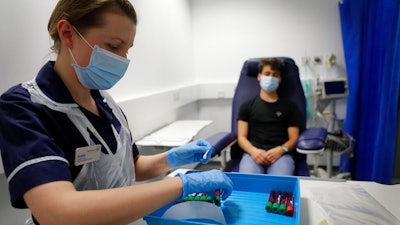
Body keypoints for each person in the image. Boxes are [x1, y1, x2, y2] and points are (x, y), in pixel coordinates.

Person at [0, 1, 233, 224]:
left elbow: (130, 167)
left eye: (127, 49)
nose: (122, 60)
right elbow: (58, 212)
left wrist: (173, 158)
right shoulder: (24, 107)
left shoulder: (105, 102)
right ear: (67, 33)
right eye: (113, 46)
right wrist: (181, 185)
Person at [237, 58, 303, 175]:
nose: (271, 78)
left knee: (279, 187)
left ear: (280, 79)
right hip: (253, 154)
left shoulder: (290, 107)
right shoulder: (247, 106)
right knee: (250, 185)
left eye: (275, 75)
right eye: (267, 74)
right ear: (259, 76)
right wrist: (253, 151)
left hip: (281, 155)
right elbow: (241, 137)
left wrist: (281, 150)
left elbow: (294, 138)